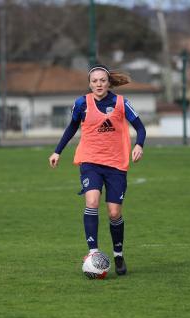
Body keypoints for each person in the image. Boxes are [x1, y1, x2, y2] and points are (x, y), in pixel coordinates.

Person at [48, 64, 146, 276]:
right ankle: (93, 253)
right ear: (89, 84)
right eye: (95, 81)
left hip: (116, 164)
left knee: (114, 212)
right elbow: (72, 127)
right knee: (91, 201)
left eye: (102, 80)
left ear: (108, 82)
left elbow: (140, 127)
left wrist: (139, 145)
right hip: (90, 161)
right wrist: (57, 151)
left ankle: (118, 254)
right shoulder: (81, 103)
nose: (99, 84)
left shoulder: (121, 103)